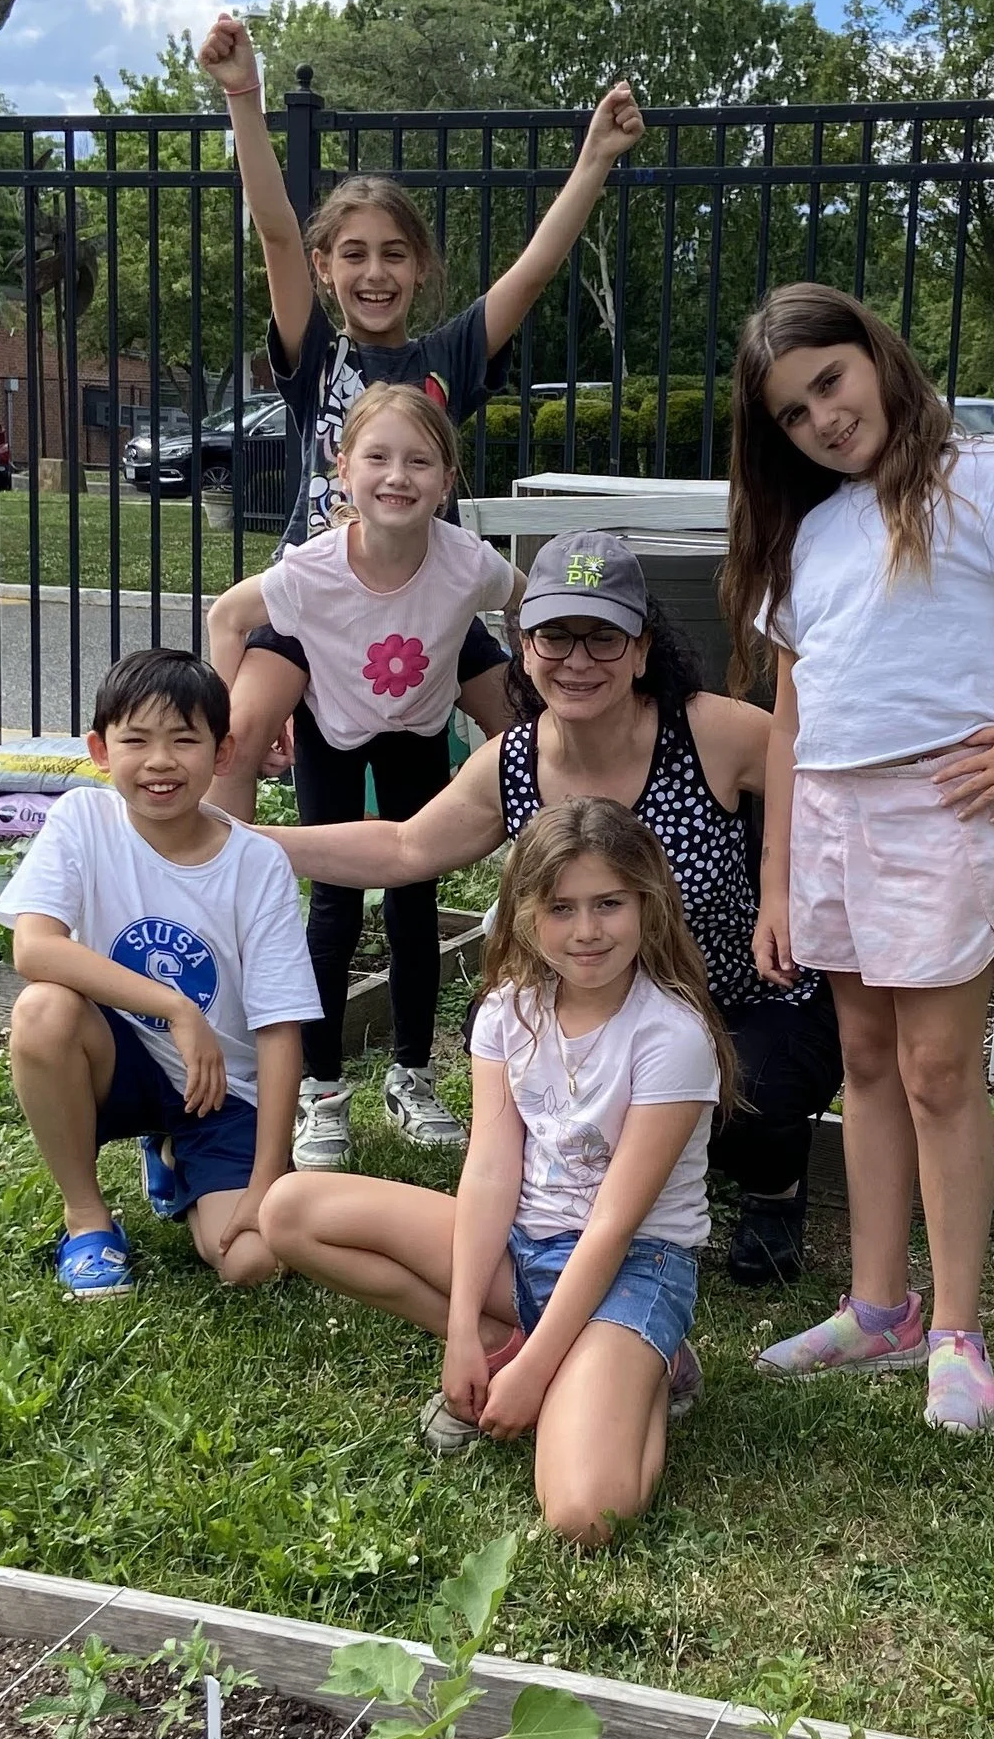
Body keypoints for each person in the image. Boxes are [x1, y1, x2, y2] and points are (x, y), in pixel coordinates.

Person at [726, 284, 994, 1435]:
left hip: (942, 805)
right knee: (864, 1061)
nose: (823, 418)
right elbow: (789, 718)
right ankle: (877, 1307)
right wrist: (775, 881)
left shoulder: (979, 479)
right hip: (828, 817)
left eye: (830, 381)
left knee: (936, 1071)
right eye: (791, 412)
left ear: (874, 358)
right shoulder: (810, 532)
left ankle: (956, 1330)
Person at [248, 528, 843, 1285]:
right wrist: (252, 840)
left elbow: (818, 780)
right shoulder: (515, 759)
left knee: (752, 1095)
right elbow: (403, 848)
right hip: (591, 1003)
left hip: (731, 999)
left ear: (641, 647)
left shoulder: (710, 729)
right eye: (554, 637)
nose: (578, 660)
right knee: (495, 1023)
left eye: (603, 637)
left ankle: (772, 1188)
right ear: (523, 647)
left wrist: (783, 887)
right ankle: (579, 1190)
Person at [263, 799, 728, 1545]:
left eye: (609, 903)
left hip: (632, 1266)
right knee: (289, 1210)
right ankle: (525, 1347)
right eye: (561, 906)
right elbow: (487, 1170)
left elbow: (611, 1224)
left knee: (583, 1514)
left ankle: (650, 1364)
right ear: (523, 914)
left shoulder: (671, 1037)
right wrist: (461, 1337)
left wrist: (537, 1375)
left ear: (649, 903)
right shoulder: (508, 1010)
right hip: (521, 1255)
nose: (586, 930)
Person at [202, 382, 523, 1167]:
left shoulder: (468, 563)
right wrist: (221, 727)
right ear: (341, 471)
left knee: (417, 900)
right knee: (336, 907)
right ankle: (321, 1088)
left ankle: (413, 1072)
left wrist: (533, 667)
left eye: (419, 460)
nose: (397, 475)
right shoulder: (311, 571)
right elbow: (226, 616)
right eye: (376, 457)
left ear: (447, 480)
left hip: (417, 724)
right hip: (333, 727)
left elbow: (527, 601)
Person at [193, 9, 645, 550]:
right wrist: (243, 93)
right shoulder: (318, 357)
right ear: (324, 269)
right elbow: (278, 234)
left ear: (420, 266)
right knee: (249, 634)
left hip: (427, 592)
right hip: (322, 590)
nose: (376, 273)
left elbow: (533, 272)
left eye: (395, 254)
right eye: (354, 255)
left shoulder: (447, 358)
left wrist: (594, 157)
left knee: (505, 633)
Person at [0, 647, 320, 1299]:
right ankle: (87, 1221)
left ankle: (176, 1153)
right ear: (101, 749)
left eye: (184, 739)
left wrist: (265, 1185)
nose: (161, 761)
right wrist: (177, 1007)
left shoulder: (256, 864)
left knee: (252, 1261)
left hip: (222, 1090)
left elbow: (282, 1029)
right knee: (41, 1010)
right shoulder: (82, 821)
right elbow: (34, 948)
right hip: (120, 1059)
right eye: (136, 740)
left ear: (223, 753)